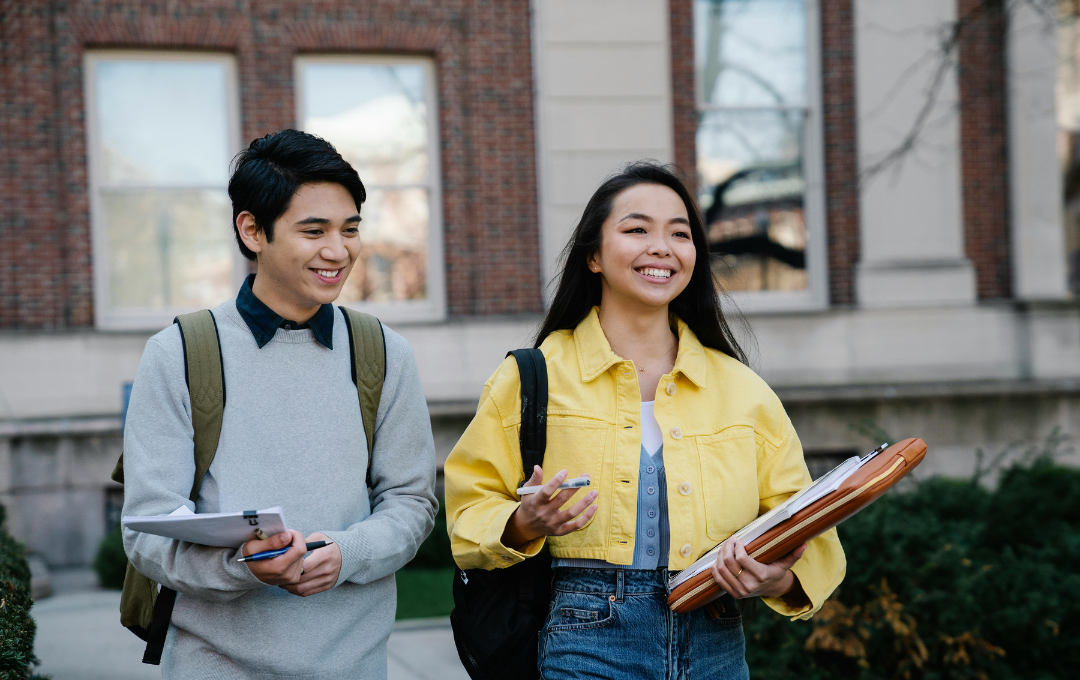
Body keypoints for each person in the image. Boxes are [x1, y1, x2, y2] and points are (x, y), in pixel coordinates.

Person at [444, 162, 845, 679]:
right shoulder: (532, 378)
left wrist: (775, 580)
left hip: (715, 639)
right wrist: (524, 523)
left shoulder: (743, 391)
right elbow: (468, 509)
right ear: (593, 256)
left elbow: (809, 529)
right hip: (583, 638)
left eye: (679, 234)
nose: (662, 247)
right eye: (637, 230)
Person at [122, 129, 438, 679]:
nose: (338, 251)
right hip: (212, 665)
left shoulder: (384, 353)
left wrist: (347, 553)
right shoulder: (178, 354)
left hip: (356, 665)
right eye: (313, 231)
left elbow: (412, 503)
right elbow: (148, 529)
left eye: (350, 230)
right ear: (253, 231)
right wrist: (244, 564)